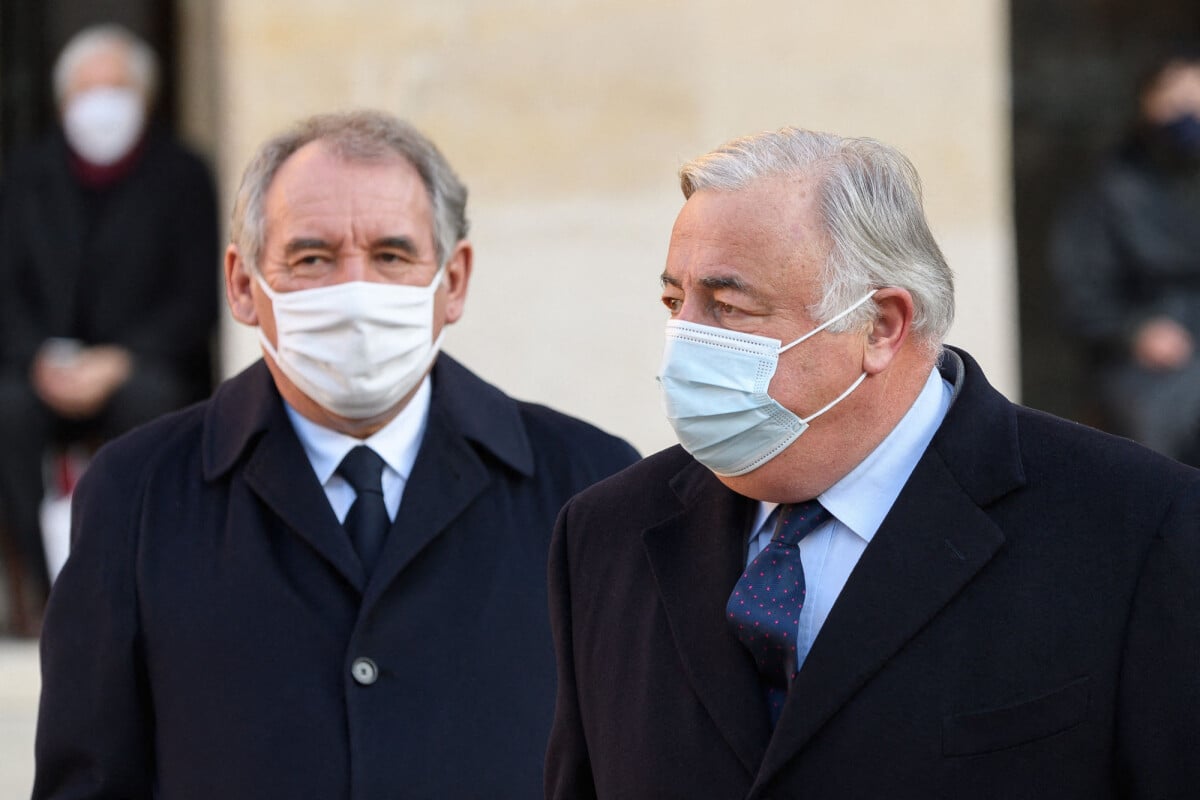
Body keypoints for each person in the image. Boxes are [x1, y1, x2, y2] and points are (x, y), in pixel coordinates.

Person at [546, 127, 1200, 799]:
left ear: (882, 326)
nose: (685, 342)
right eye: (674, 303)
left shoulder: (1135, 528)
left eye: (730, 307)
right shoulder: (607, 535)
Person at [33, 110, 639, 799]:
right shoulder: (136, 493)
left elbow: (634, 762)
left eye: (391, 255)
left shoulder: (588, 483)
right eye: (313, 258)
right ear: (242, 285)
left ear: (454, 281)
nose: (357, 294)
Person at [0, 24, 219, 636]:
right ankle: (48, 597)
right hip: (42, 367)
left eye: (115, 88)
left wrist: (122, 359)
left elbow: (199, 295)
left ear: (144, 99)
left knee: (152, 404)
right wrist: (38, 358)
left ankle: (135, 579)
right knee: (7, 412)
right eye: (86, 91)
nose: (101, 105)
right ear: (63, 101)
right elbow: (7, 288)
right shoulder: (26, 175)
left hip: (140, 366)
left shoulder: (183, 174)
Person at [1051, 51, 1200, 467]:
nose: (1188, 109)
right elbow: (1082, 291)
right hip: (1150, 372)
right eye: (1176, 95)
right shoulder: (1110, 190)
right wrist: (1136, 331)